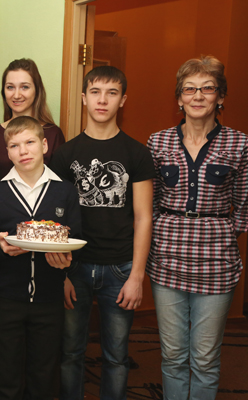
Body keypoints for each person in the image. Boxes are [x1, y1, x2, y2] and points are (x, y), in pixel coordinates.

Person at [50, 65, 155, 400]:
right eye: (95, 92)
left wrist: (137, 276)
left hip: (120, 268)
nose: (102, 100)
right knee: (70, 353)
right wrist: (61, 274)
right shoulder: (65, 154)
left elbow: (144, 217)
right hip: (75, 267)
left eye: (112, 93)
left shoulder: (136, 153)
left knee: (116, 357)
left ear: (123, 100)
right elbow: (55, 219)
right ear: (84, 98)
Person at [147, 55, 248, 400]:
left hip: (217, 265)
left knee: (204, 358)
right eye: (189, 89)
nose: (198, 95)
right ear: (179, 98)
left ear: (220, 97)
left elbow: (244, 205)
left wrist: (220, 235)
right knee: (173, 355)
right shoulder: (158, 142)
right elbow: (150, 203)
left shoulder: (239, 143)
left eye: (208, 88)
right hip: (166, 262)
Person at [0, 116, 82, 399]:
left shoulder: (65, 191)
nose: (23, 151)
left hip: (49, 299)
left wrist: (68, 262)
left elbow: (76, 241)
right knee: (5, 374)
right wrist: (0, 249)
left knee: (44, 375)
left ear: (44, 145)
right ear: (7, 152)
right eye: (14, 145)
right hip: (6, 299)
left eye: (30, 142)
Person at [0, 58, 65, 181]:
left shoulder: (53, 133)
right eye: (10, 87)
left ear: (37, 90)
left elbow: (59, 183)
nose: (16, 95)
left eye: (24, 87)